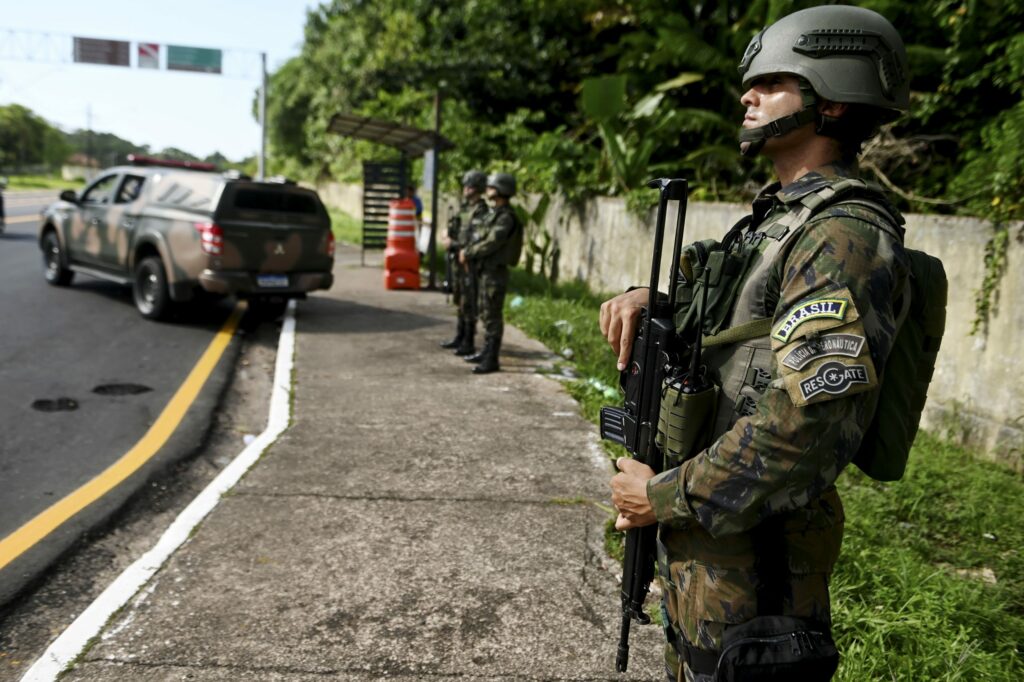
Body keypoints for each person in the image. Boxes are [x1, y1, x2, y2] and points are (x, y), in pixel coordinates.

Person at [600, 6, 911, 681]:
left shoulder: (843, 236)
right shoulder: (774, 222)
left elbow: (804, 430)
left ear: (828, 99)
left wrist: (661, 496)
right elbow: (725, 306)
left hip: (759, 591)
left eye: (771, 83)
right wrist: (646, 298)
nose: (748, 95)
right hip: (710, 573)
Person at [460, 172, 522, 374]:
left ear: (501, 189)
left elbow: (492, 242)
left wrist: (469, 252)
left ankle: (492, 358)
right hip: (485, 271)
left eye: (491, 187)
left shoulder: (505, 217)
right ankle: (486, 352)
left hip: (495, 273)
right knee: (485, 313)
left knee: (493, 315)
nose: (486, 190)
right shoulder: (494, 213)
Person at [440, 170, 489, 355]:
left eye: (469, 186)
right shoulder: (465, 208)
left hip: (470, 263)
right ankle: (460, 336)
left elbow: (476, 240)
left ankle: (468, 341)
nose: (466, 189)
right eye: (466, 186)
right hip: (457, 261)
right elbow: (455, 227)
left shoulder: (481, 211)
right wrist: (447, 234)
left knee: (469, 302)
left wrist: (453, 244)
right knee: (460, 299)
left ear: (477, 189)